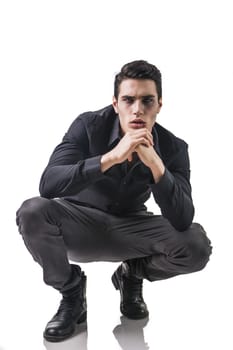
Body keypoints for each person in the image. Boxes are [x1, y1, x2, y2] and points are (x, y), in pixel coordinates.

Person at [16, 60, 212, 342]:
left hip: (131, 228)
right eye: (128, 100)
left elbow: (182, 219)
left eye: (147, 101)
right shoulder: (87, 126)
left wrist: (157, 166)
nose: (137, 109)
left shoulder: (174, 147)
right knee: (33, 210)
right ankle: (72, 294)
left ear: (159, 105)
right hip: (78, 221)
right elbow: (48, 185)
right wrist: (110, 158)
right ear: (115, 103)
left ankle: (131, 274)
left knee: (196, 244)